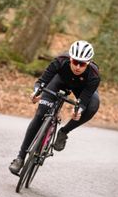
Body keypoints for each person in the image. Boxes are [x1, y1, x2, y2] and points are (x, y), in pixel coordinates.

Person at [9, 40, 100, 175]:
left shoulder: (94, 74)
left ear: (89, 62)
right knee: (40, 115)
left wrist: (78, 110)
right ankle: (20, 158)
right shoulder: (60, 61)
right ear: (70, 58)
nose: (77, 67)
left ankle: (64, 132)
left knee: (93, 105)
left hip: (81, 89)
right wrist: (36, 92)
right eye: (75, 61)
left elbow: (84, 100)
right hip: (59, 82)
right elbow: (41, 82)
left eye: (82, 64)